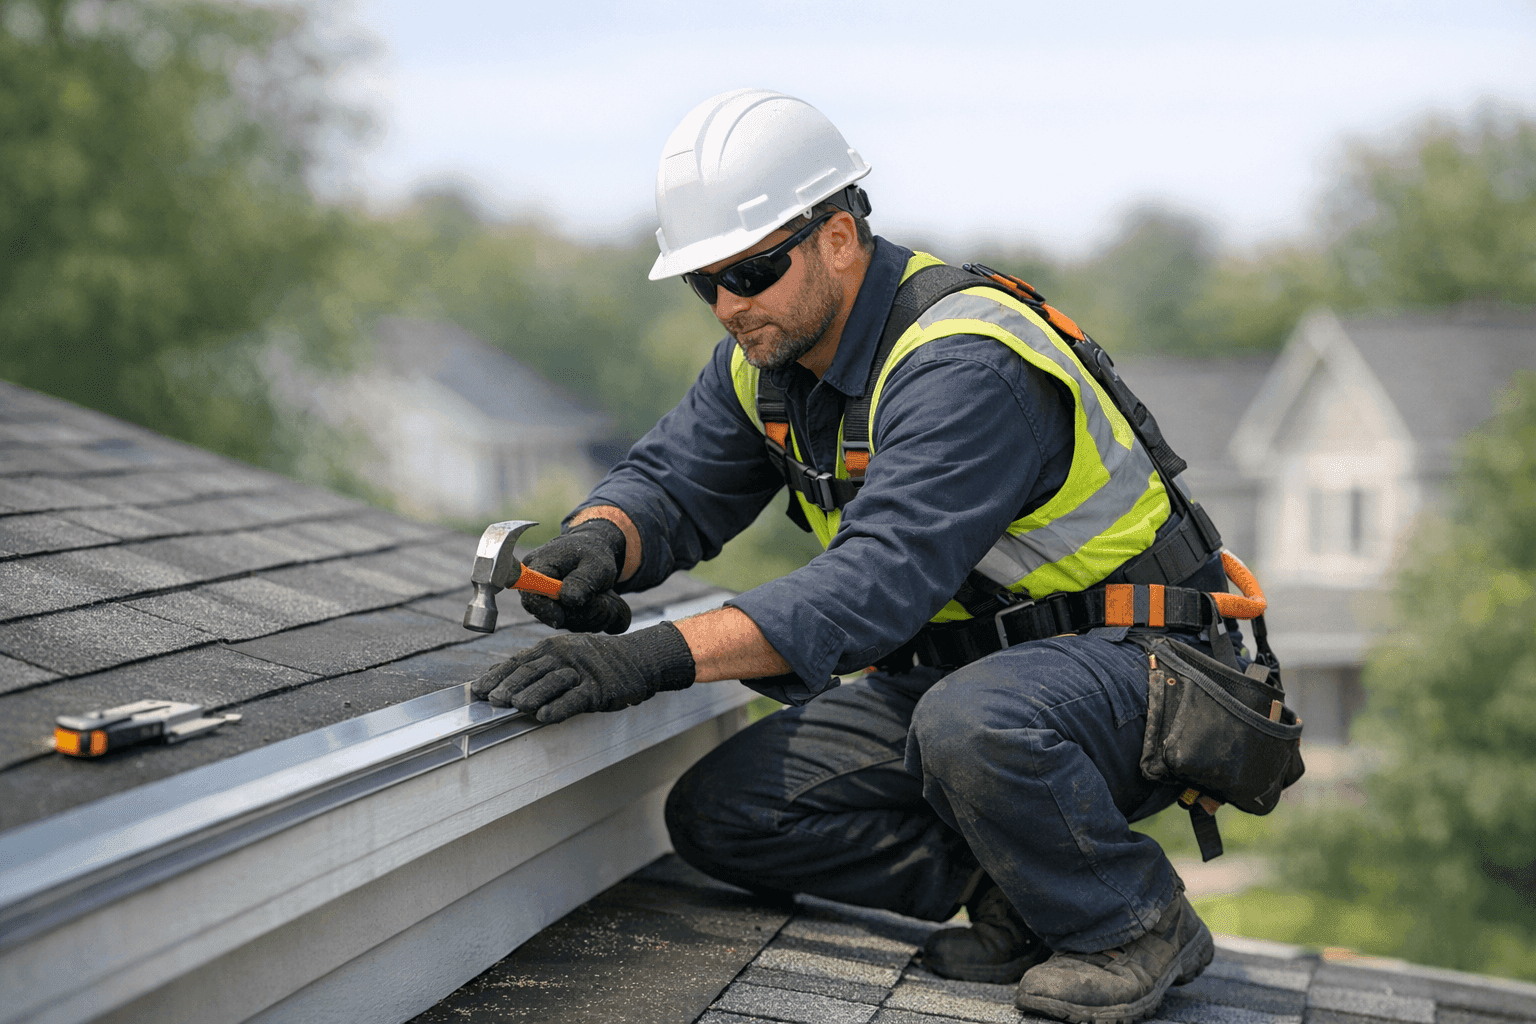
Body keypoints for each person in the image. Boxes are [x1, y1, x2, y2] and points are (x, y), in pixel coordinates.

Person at [470, 88, 1229, 1024]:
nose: (728, 306)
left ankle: (1132, 922)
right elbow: (671, 482)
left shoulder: (966, 365)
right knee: (727, 816)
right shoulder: (770, 361)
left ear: (837, 235)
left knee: (972, 725)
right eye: (705, 282)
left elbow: (872, 587)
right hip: (976, 681)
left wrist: (647, 660)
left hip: (1143, 666)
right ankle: (1032, 893)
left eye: (750, 270)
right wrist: (597, 542)